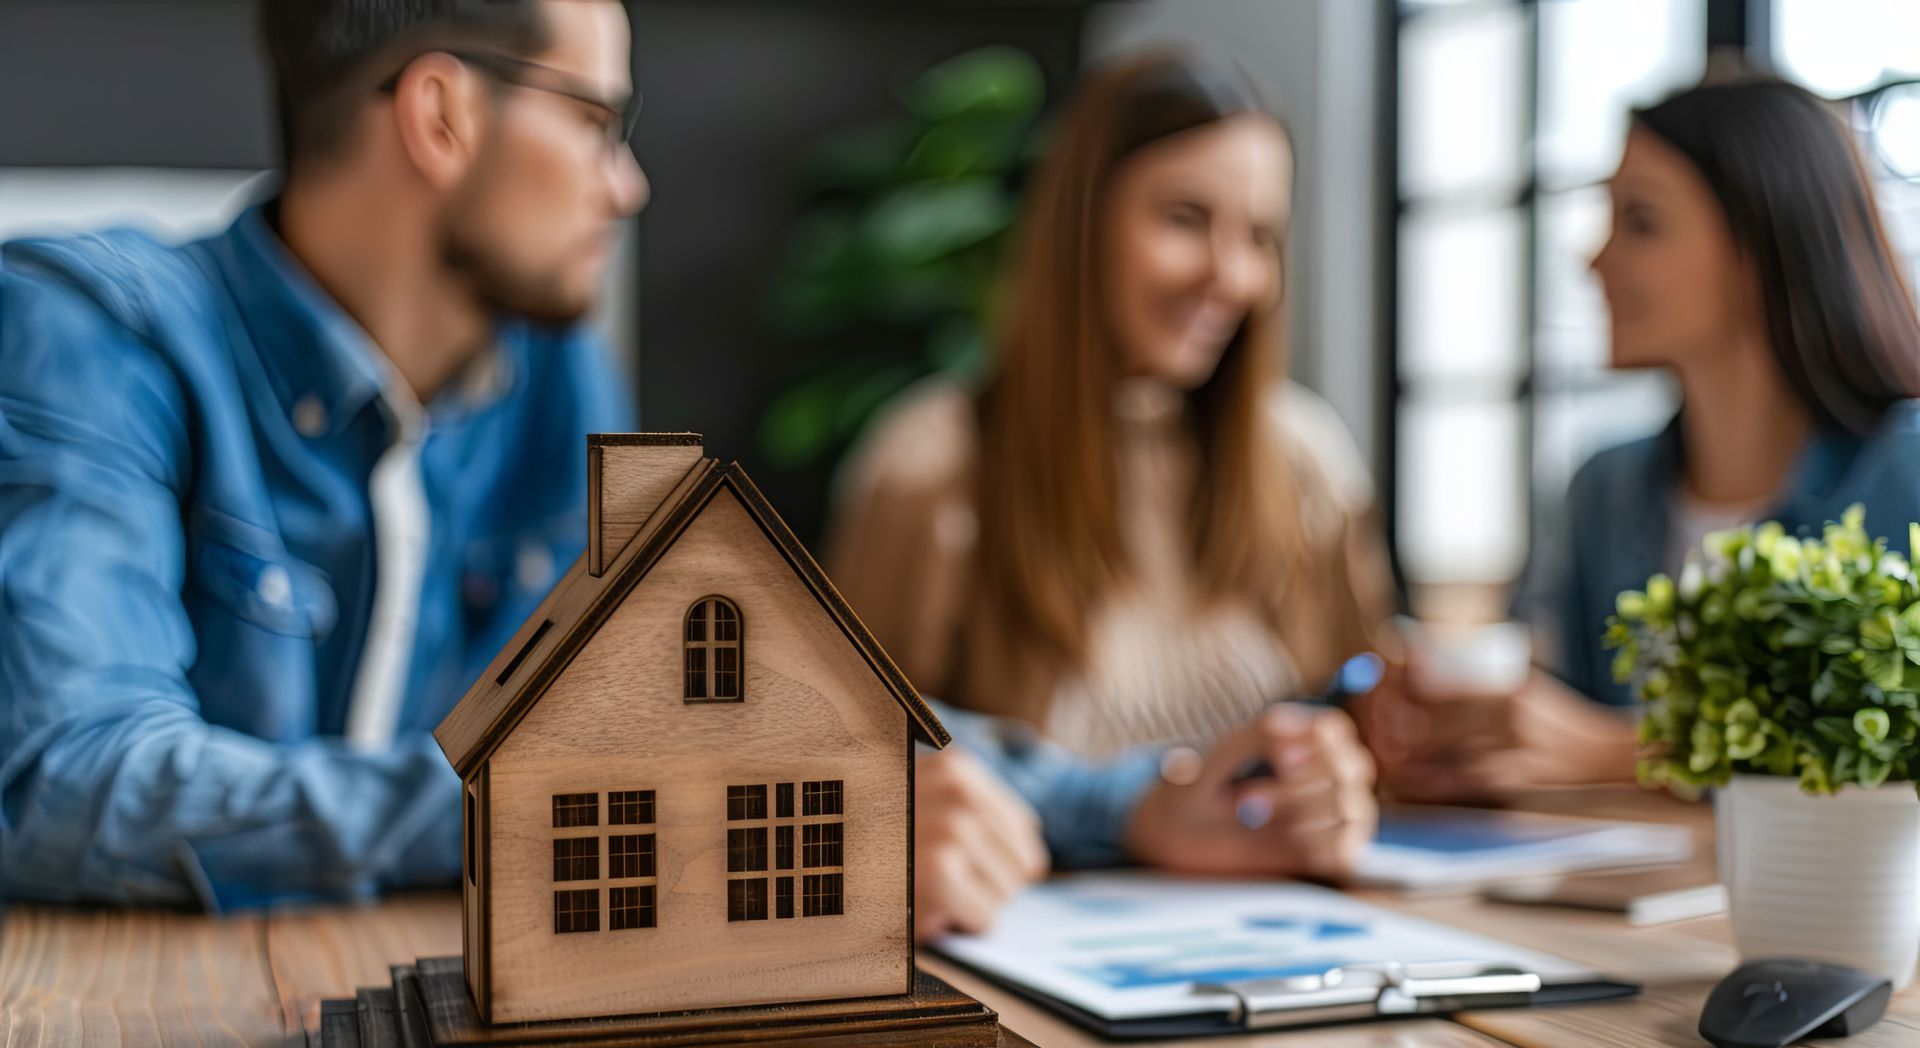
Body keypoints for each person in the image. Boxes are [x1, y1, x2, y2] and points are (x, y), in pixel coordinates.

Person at [0, 1, 1373, 926]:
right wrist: (627, 811)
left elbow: (769, 719)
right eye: (597, 123)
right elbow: (73, 785)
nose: (628, 183)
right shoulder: (89, 331)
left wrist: (1147, 800)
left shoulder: (552, 376)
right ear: (439, 115)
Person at [826, 52, 1396, 760]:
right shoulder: (931, 467)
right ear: (1081, 224)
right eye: (1185, 219)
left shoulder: (1304, 460)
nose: (1230, 276)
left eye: (1258, 236)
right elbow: (854, 766)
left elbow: (1371, 727)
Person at [1368, 73, 1920, 803]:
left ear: (1763, 239)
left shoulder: (1905, 472)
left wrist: (1622, 750)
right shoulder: (1603, 487)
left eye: (1642, 221)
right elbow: (1549, 714)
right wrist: (1456, 734)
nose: (1595, 260)